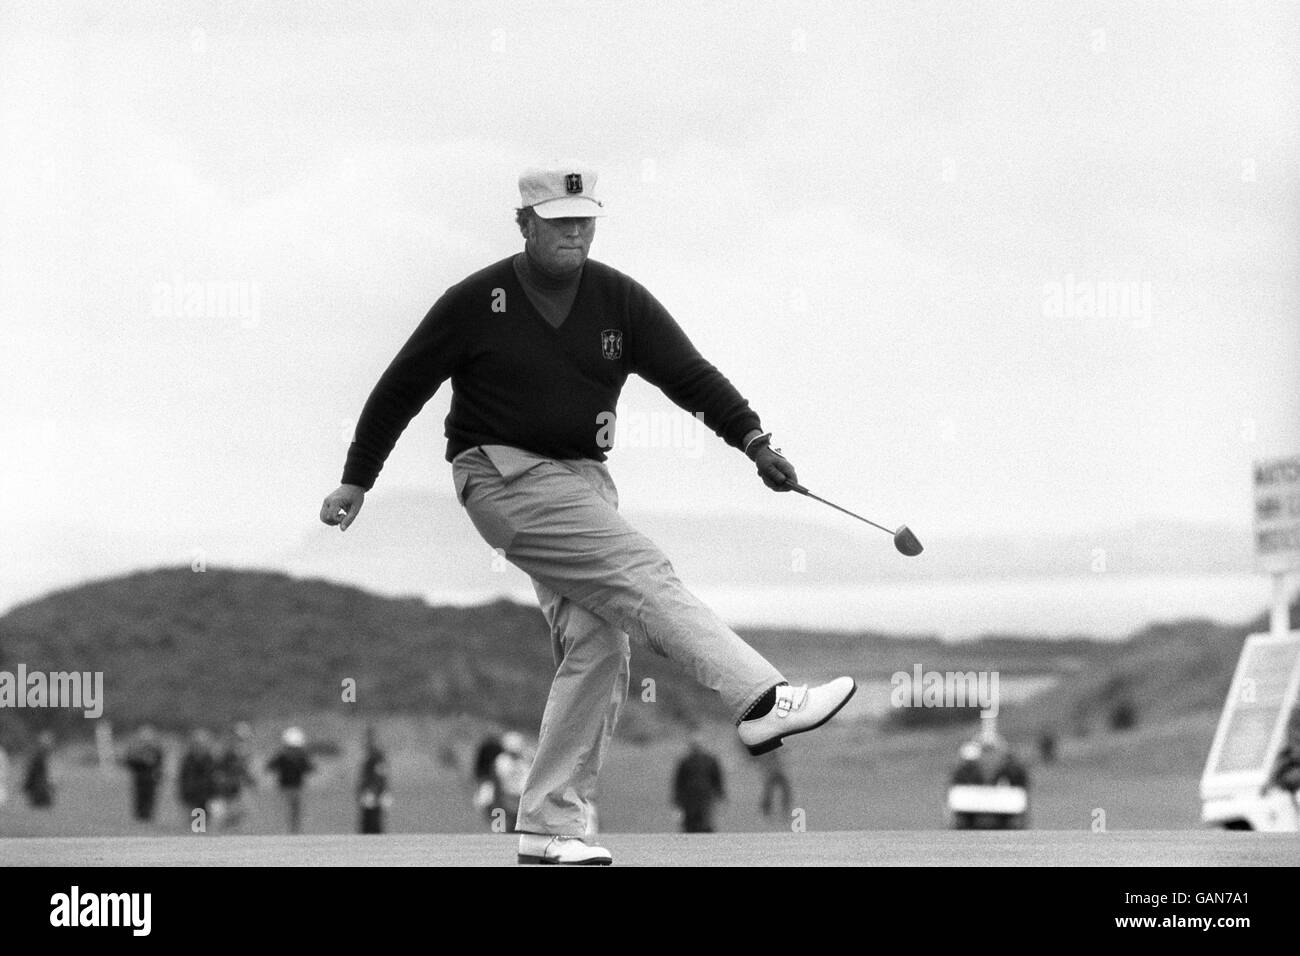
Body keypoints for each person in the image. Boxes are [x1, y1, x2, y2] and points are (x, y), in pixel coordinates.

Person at [319, 162, 856, 865]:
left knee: (600, 641)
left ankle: (548, 827)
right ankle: (761, 702)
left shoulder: (618, 301)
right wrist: (357, 480)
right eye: (558, 222)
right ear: (524, 224)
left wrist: (754, 441)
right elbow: (400, 389)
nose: (574, 233)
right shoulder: (475, 301)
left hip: (584, 486)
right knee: (643, 571)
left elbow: (689, 376)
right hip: (500, 474)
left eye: (584, 220)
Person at [266, 727, 315, 834]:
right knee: (288, 812)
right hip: (287, 789)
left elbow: (269, 766)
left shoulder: (289, 756)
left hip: (293, 789)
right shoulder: (286, 757)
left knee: (292, 812)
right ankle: (288, 832)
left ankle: (291, 832)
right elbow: (310, 768)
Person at [673, 735, 726, 833]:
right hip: (689, 795)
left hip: (705, 794)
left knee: (705, 818)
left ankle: (705, 839)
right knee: (690, 820)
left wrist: (720, 792)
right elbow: (679, 780)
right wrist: (677, 797)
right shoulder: (686, 761)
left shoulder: (709, 760)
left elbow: (716, 777)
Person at [211, 723, 256, 830]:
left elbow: (244, 770)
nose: (243, 741)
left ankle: (231, 833)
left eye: (245, 738)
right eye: (240, 738)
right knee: (224, 815)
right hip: (227, 788)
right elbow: (218, 769)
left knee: (245, 812)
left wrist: (250, 779)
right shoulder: (227, 751)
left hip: (237, 787)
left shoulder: (244, 751)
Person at [122, 725, 165, 822]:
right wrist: (140, 760)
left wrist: (159, 774)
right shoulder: (136, 750)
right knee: (139, 798)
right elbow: (129, 761)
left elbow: (159, 764)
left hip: (151, 779)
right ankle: (140, 816)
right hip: (139, 778)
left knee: (150, 798)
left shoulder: (156, 749)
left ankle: (148, 816)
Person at [356, 727, 392, 835]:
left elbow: (380, 777)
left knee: (373, 823)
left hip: (373, 794)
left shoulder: (377, 757)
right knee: (367, 823)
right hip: (370, 792)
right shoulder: (370, 757)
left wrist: (379, 792)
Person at [177, 729, 216, 823]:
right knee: (195, 824)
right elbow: (183, 778)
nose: (199, 746)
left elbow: (212, 778)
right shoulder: (188, 759)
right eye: (197, 743)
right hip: (191, 796)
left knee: (203, 824)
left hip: (206, 796)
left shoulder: (209, 759)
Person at [22, 731, 56, 809]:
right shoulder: (38, 757)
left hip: (41, 790)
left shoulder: (41, 757)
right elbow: (31, 774)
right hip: (39, 791)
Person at [757, 748, 793, 820]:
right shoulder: (765, 753)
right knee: (768, 793)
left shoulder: (773, 751)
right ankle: (766, 812)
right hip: (771, 774)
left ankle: (784, 811)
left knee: (785, 791)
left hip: (778, 773)